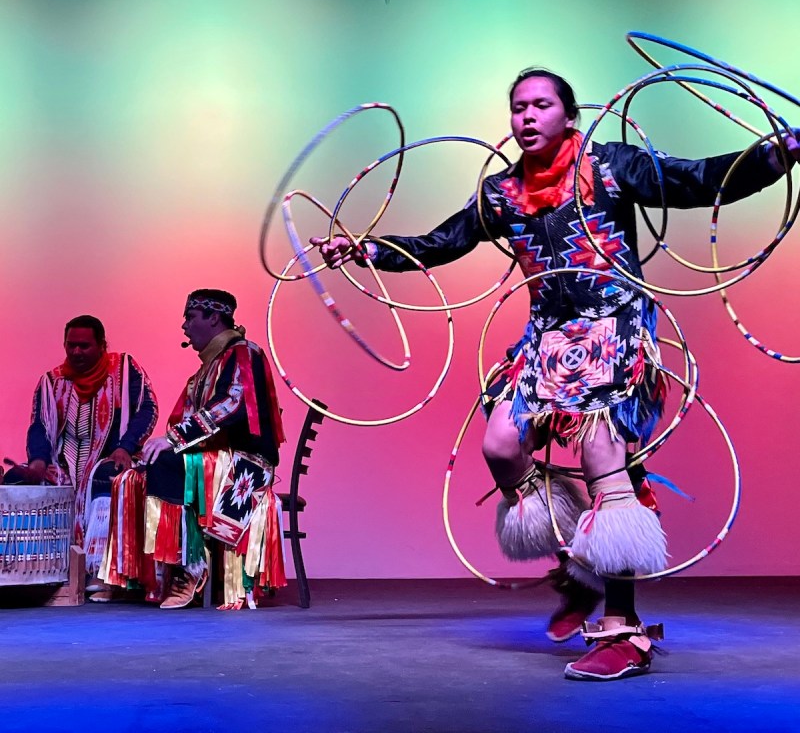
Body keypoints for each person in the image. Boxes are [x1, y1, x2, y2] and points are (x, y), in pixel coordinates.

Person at [312, 69, 799, 680]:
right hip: (544, 342)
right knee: (500, 446)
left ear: (568, 115)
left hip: (615, 333)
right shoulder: (500, 193)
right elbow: (441, 242)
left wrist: (780, 151)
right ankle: (577, 568)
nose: (527, 116)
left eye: (541, 105)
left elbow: (701, 181)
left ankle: (622, 630)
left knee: (608, 467)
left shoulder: (613, 165)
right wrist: (368, 249)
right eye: (518, 107)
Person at [105, 289, 287, 610]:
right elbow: (192, 417)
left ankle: (190, 568)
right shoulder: (208, 367)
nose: (184, 326)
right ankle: (137, 577)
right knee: (137, 474)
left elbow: (232, 405)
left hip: (245, 463)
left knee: (169, 464)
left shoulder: (244, 354)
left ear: (214, 318)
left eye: (190, 317)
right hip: (215, 457)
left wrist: (174, 440)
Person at [5, 315, 158, 600]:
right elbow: (39, 424)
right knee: (16, 479)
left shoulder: (124, 369)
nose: (76, 352)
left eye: (84, 346)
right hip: (64, 465)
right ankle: (33, 571)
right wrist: (38, 460)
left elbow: (146, 409)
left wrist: (125, 446)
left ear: (101, 345)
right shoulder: (51, 382)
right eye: (71, 345)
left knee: (107, 476)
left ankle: (102, 573)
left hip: (111, 459)